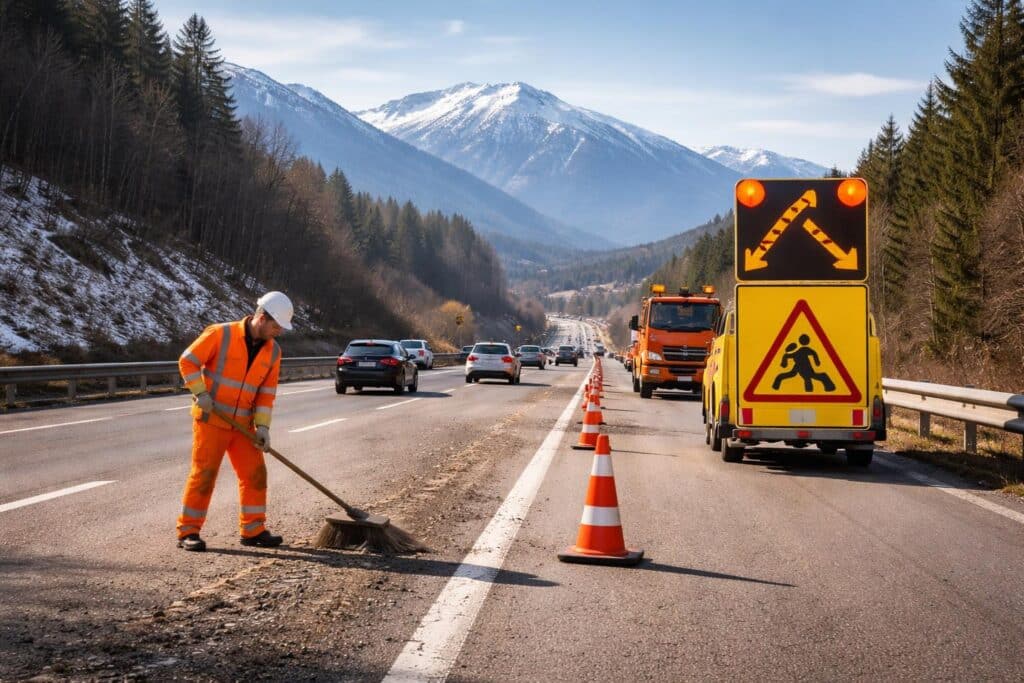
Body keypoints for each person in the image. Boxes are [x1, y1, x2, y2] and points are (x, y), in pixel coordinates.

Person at [175, 291, 294, 552]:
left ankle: (253, 529)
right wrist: (201, 393)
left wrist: (263, 428)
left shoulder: (274, 352)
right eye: (276, 326)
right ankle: (188, 531)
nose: (279, 332)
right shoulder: (221, 334)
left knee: (255, 475)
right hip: (212, 420)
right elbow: (188, 361)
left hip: (243, 426)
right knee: (204, 475)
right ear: (262, 318)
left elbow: (266, 394)